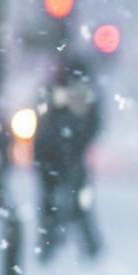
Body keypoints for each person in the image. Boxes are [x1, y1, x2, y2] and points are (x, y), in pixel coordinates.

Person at [34, 53, 103, 262]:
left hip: (58, 156)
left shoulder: (65, 92)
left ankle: (52, 246)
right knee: (71, 203)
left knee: (61, 203)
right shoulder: (71, 92)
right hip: (59, 156)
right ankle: (81, 247)